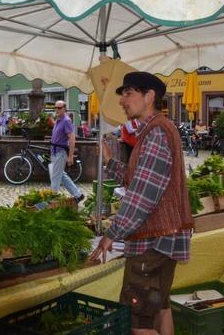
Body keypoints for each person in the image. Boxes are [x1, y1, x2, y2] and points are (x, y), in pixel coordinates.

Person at [90, 72, 194, 335]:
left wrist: (112, 233)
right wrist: (110, 162)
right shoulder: (155, 131)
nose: (123, 101)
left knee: (138, 322)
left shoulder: (156, 133)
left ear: (149, 97)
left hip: (153, 243)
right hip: (162, 241)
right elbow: (139, 179)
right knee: (160, 308)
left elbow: (142, 196)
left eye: (128, 93)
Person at [48, 101, 84, 202]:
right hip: (55, 151)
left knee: (55, 177)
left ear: (64, 108)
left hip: (60, 152)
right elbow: (60, 130)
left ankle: (52, 199)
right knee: (61, 175)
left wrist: (70, 156)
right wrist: (52, 123)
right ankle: (78, 194)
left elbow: (72, 138)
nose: (57, 109)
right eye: (55, 107)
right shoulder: (59, 119)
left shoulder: (66, 120)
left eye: (59, 108)